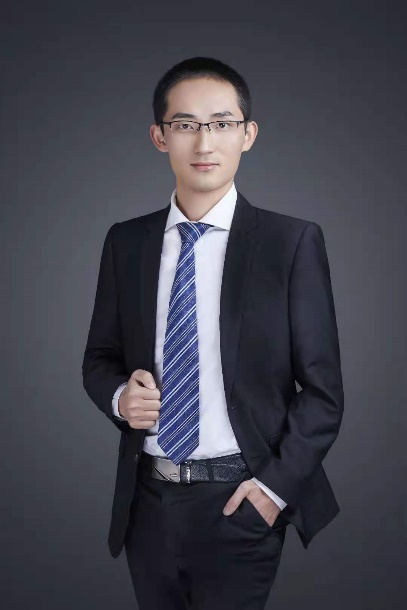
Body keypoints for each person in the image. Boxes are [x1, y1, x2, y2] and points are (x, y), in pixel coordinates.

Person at [82, 56, 344, 610]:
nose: (204, 142)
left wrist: (272, 492)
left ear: (248, 134)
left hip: (241, 501)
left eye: (222, 123)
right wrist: (120, 396)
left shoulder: (290, 243)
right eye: (185, 124)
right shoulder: (126, 243)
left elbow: (323, 394)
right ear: (160, 136)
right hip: (147, 503)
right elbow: (99, 357)